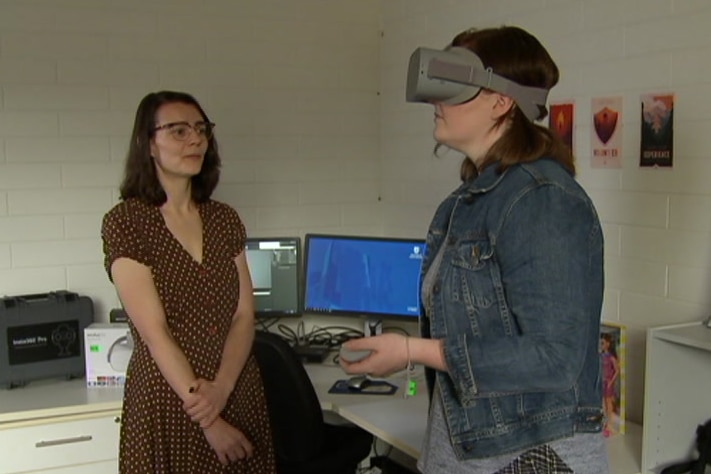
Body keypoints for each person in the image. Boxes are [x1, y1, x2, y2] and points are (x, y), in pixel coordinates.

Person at [341, 26, 608, 473]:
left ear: (501, 101)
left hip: (532, 456)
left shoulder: (541, 199)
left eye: (450, 85)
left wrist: (412, 352)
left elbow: (556, 357)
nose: (433, 100)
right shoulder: (474, 199)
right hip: (470, 447)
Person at [102, 90, 275, 473]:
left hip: (235, 391)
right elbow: (155, 333)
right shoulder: (127, 223)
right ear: (148, 144)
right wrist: (210, 420)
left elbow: (244, 316)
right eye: (178, 131)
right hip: (171, 403)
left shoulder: (224, 219)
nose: (195, 139)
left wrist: (223, 390)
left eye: (200, 129)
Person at [600, 333, 620, 437]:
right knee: (603, 403)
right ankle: (604, 423)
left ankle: (609, 425)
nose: (601, 345)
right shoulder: (601, 356)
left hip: (608, 382)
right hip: (601, 382)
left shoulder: (611, 357)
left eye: (603, 343)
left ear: (608, 344)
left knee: (608, 404)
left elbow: (617, 370)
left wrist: (611, 381)